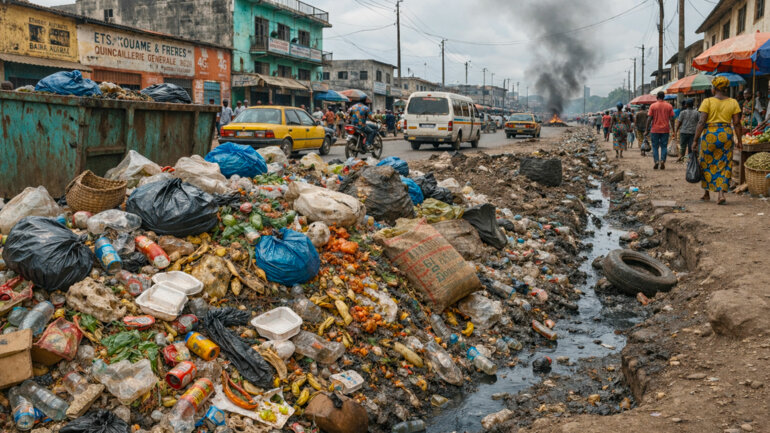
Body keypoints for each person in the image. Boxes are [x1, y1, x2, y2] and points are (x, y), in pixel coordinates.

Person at [692, 76, 742, 205]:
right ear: (726, 89)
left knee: (706, 162)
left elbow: (701, 121)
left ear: (714, 89)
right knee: (724, 163)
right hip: (726, 134)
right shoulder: (733, 102)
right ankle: (720, 194)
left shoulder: (707, 101)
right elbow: (736, 123)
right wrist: (739, 140)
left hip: (710, 134)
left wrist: (695, 140)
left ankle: (706, 193)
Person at [645, 92, 675, 170]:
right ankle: (662, 160)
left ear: (657, 97)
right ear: (664, 97)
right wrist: (674, 130)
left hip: (654, 130)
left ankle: (656, 161)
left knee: (655, 147)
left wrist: (646, 129)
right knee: (664, 146)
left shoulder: (653, 106)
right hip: (665, 129)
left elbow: (649, 119)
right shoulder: (669, 106)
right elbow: (672, 119)